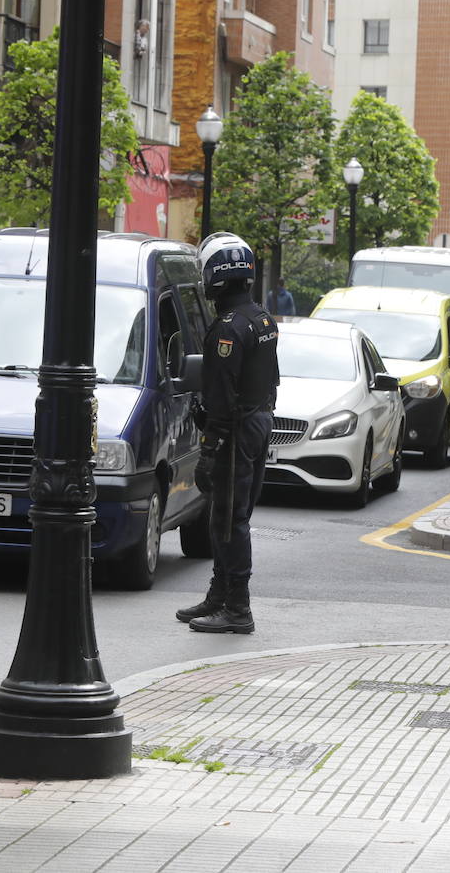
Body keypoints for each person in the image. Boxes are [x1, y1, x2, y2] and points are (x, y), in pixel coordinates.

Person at [179, 232, 278, 635]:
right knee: (233, 514)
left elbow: (220, 399)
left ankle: (237, 607)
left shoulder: (227, 328)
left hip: (235, 432)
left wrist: (208, 450)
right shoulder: (262, 319)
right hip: (258, 422)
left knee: (228, 519)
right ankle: (220, 594)